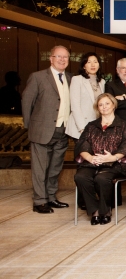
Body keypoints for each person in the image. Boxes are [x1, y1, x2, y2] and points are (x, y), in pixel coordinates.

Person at [22, 45, 72, 214]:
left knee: (55, 168)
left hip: (63, 131)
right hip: (41, 131)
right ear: (51, 58)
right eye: (59, 56)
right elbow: (27, 102)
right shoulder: (37, 77)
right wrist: (31, 127)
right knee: (40, 168)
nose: (62, 59)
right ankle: (39, 201)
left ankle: (51, 197)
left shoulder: (71, 79)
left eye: (65, 57)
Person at [73, 93, 126, 225]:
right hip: (92, 162)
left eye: (107, 103)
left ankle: (105, 211)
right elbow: (82, 144)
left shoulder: (123, 125)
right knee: (81, 177)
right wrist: (90, 158)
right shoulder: (91, 126)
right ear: (97, 108)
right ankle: (94, 210)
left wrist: (112, 157)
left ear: (113, 105)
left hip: (114, 164)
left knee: (101, 178)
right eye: (100, 105)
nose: (104, 107)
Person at [66, 52, 105, 141]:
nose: (92, 65)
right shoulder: (77, 80)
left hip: (96, 125)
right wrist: (82, 128)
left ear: (99, 65)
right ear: (84, 66)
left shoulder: (102, 82)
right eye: (89, 62)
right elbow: (75, 106)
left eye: (95, 62)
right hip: (81, 125)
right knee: (83, 153)